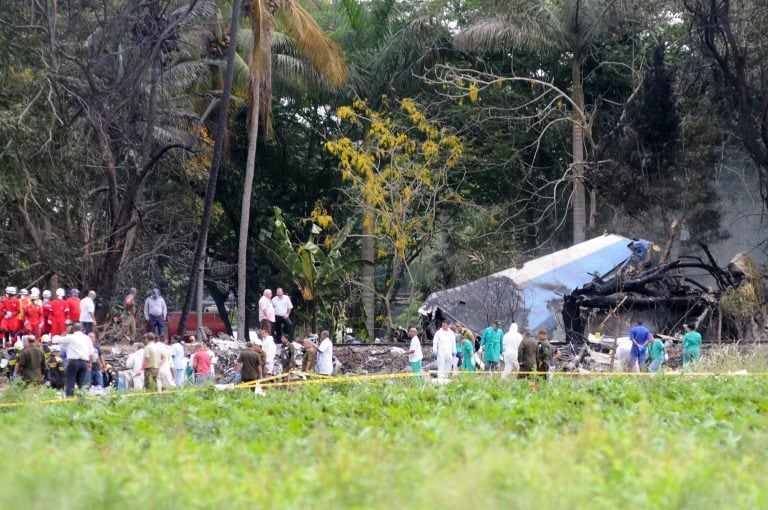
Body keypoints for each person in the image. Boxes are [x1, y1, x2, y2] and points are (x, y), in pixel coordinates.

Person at [58, 323, 95, 396]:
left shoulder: (71, 337)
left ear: (73, 329)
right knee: (82, 383)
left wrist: (66, 332)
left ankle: (70, 399)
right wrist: (90, 363)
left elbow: (58, 340)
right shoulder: (87, 338)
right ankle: (81, 399)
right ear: (82, 329)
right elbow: (91, 353)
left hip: (73, 362)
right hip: (84, 363)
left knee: (70, 382)